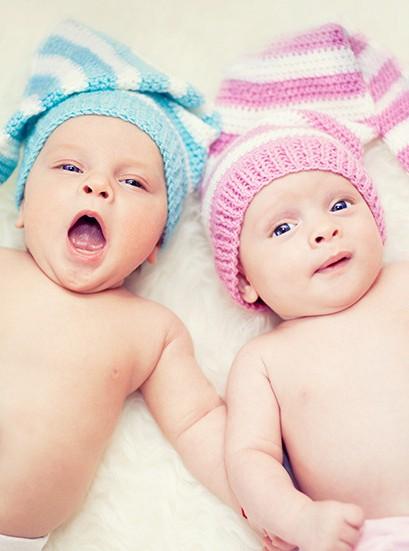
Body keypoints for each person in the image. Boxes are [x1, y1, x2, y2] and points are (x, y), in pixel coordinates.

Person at [0, 19, 237, 551]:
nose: (97, 185)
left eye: (133, 181)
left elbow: (199, 422)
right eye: (68, 167)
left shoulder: (150, 330)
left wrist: (264, 499)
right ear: (24, 206)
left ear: (157, 240)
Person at [201, 24, 409, 551]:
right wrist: (298, 519)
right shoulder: (263, 361)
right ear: (245, 279)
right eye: (282, 227)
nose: (323, 230)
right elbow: (250, 460)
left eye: (340, 204)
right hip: (365, 536)